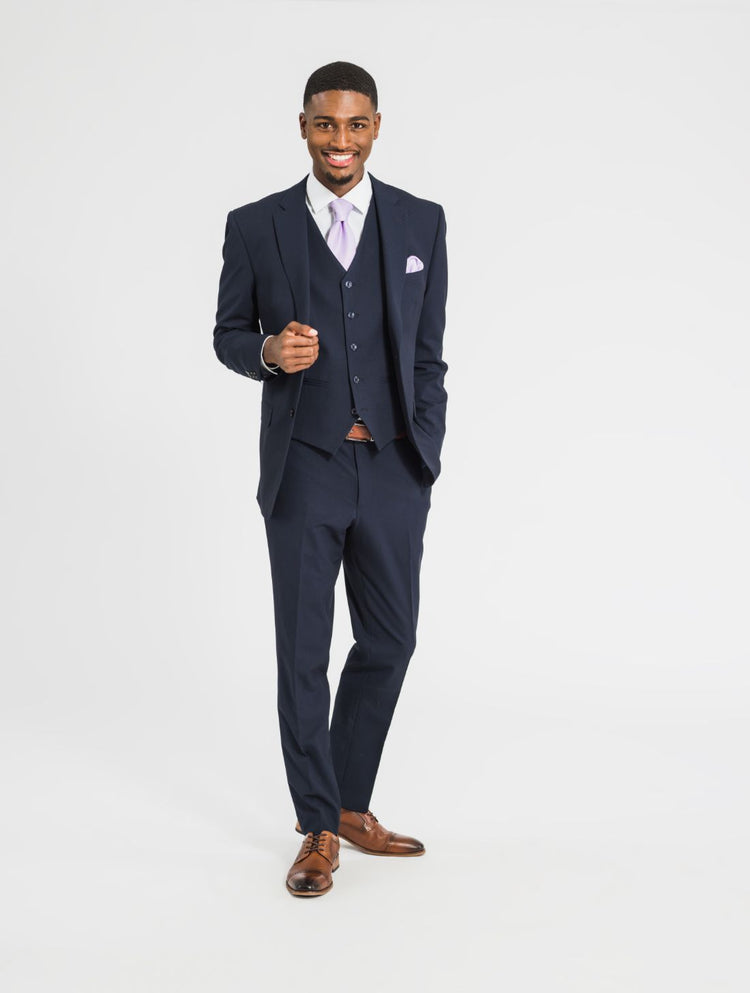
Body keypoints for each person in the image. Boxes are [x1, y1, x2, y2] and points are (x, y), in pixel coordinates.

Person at [212, 61, 448, 898]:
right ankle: (318, 824)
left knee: (390, 639)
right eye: (324, 124)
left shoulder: (421, 221)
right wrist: (269, 353)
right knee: (303, 654)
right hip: (305, 467)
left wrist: (424, 452)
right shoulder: (256, 226)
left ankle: (348, 802)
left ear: (376, 126)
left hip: (390, 467)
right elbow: (228, 334)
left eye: (354, 125)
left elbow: (427, 356)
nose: (339, 140)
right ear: (303, 126)